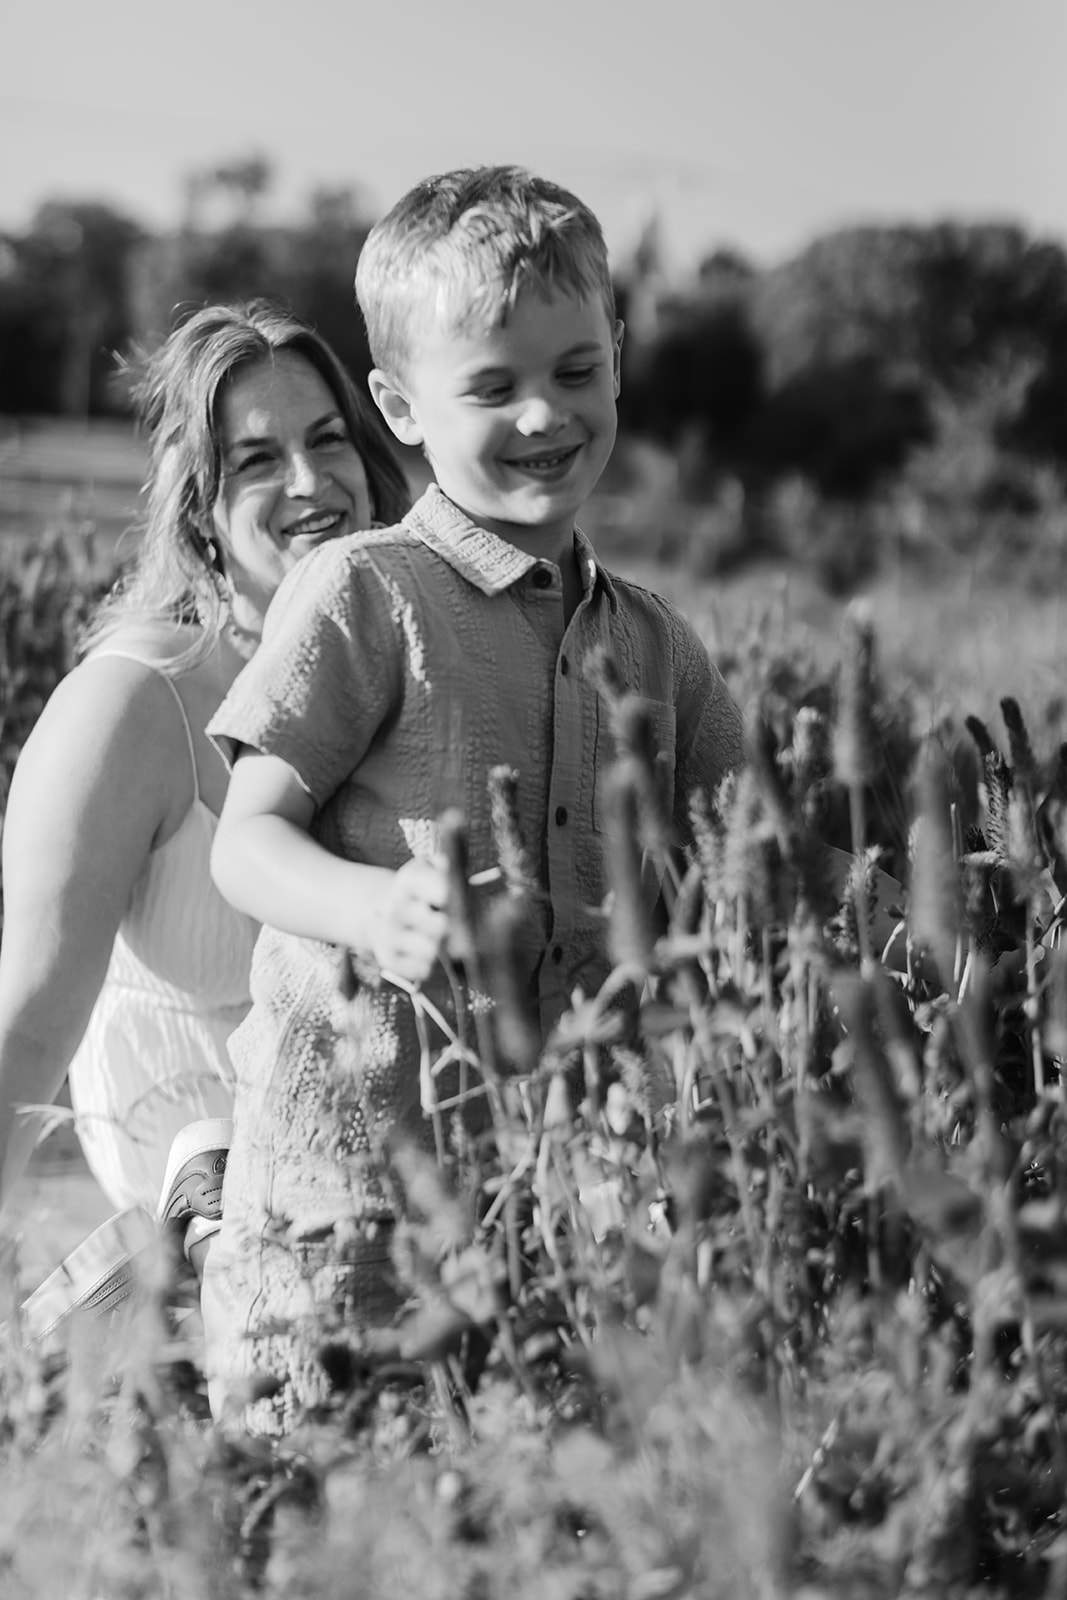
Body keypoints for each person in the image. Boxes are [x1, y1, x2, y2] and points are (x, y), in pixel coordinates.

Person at [201, 165, 745, 1434]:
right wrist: (369, 906)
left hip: (558, 1198)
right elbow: (248, 840)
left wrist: (904, 898)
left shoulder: (655, 644)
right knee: (325, 1512)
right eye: (491, 386)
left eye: (576, 370)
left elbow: (754, 842)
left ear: (619, 362)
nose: (544, 414)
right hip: (346, 1205)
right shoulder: (362, 591)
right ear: (397, 405)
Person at [0, 299, 410, 1331]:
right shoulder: (132, 706)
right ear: (198, 513)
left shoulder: (404, 672)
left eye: (328, 441)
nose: (313, 483)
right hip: (187, 1159)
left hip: (364, 1137)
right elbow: (27, 1028)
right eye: (258, 460)